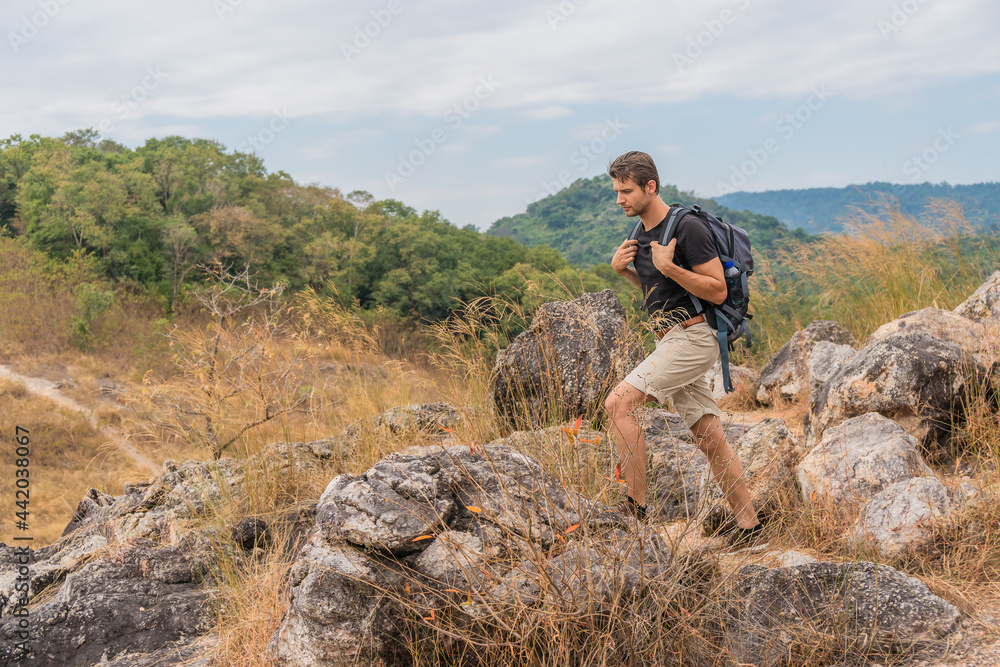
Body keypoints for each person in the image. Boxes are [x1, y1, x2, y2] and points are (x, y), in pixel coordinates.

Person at [603, 150, 762, 545]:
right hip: (669, 338)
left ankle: (635, 514)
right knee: (710, 437)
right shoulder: (639, 236)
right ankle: (751, 526)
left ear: (650, 186)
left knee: (619, 404)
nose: (619, 199)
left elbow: (716, 288)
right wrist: (625, 271)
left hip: (696, 337)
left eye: (626, 191)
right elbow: (660, 292)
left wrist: (670, 266)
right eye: (617, 191)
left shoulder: (686, 227)